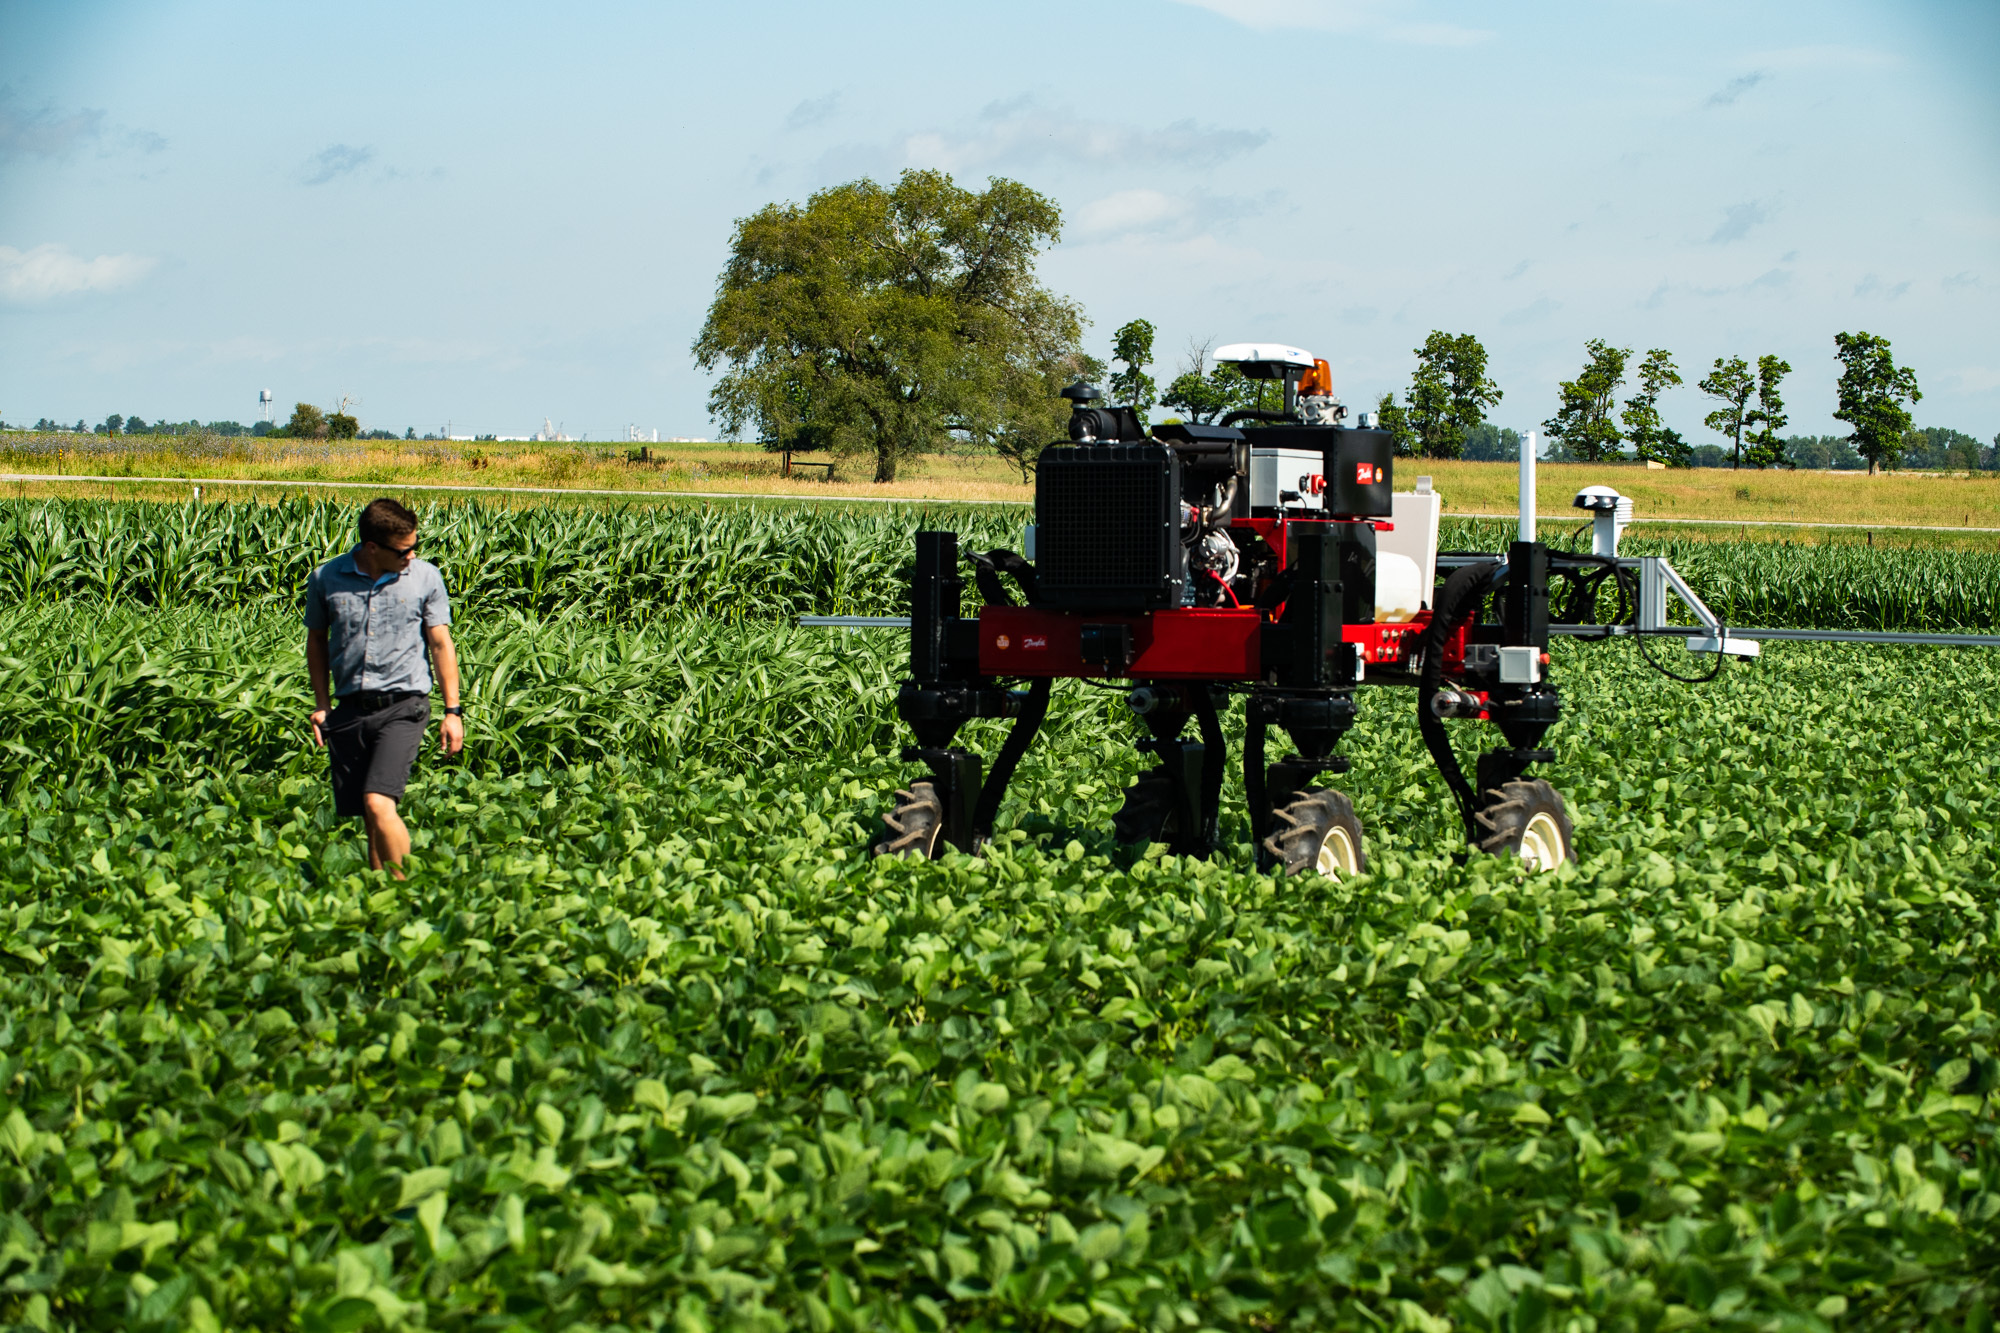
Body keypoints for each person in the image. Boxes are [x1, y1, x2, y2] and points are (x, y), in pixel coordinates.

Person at [304, 497, 465, 875]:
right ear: (372, 547)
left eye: (415, 547)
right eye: (404, 550)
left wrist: (452, 711)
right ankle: (383, 897)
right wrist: (322, 704)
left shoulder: (425, 578)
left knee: (378, 802)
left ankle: (406, 888)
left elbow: (441, 644)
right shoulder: (326, 578)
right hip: (350, 709)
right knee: (368, 814)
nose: (412, 556)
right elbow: (316, 642)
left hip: (405, 705)